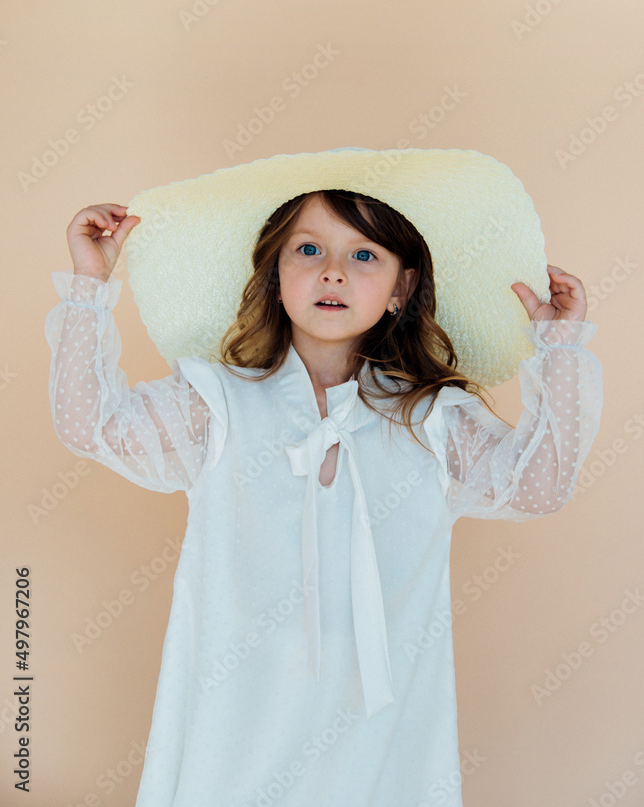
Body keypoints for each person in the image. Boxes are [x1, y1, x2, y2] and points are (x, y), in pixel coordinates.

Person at [45, 157, 603, 807]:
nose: (333, 271)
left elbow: (537, 486)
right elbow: (91, 426)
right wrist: (89, 284)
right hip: (238, 724)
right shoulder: (218, 402)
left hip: (379, 733)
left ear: (401, 287)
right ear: (275, 276)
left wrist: (560, 349)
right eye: (308, 249)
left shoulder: (431, 419)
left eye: (364, 255)